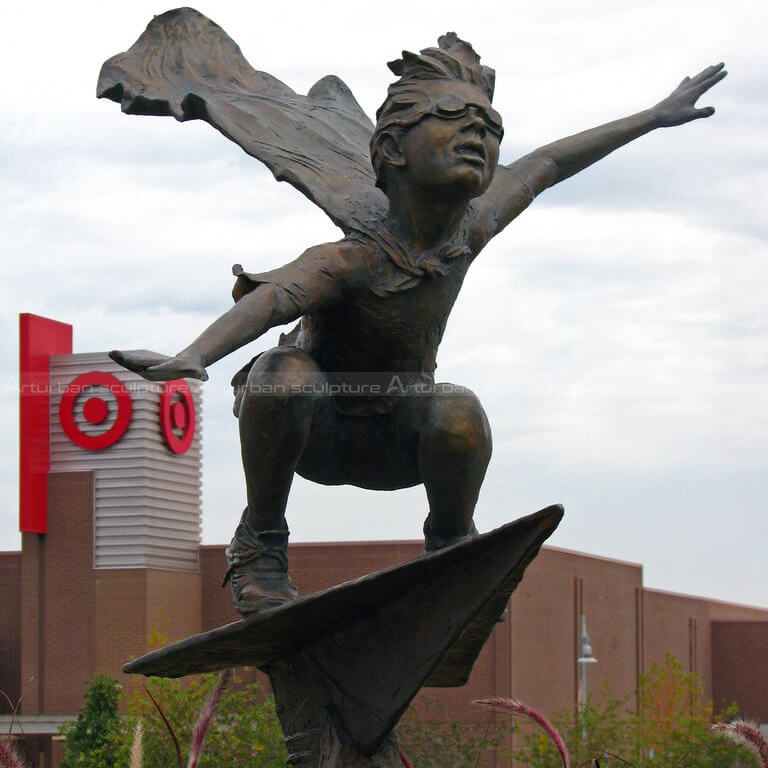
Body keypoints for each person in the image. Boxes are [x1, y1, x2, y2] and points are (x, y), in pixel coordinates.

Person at [111, 35, 726, 615]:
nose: (476, 136)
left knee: (460, 412)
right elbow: (273, 300)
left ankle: (451, 547)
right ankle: (261, 546)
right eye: (454, 118)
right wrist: (196, 355)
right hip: (315, 431)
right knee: (281, 375)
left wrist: (652, 116)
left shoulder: (471, 227)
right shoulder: (354, 257)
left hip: (397, 440)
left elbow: (550, 162)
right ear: (394, 150)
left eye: (489, 128)